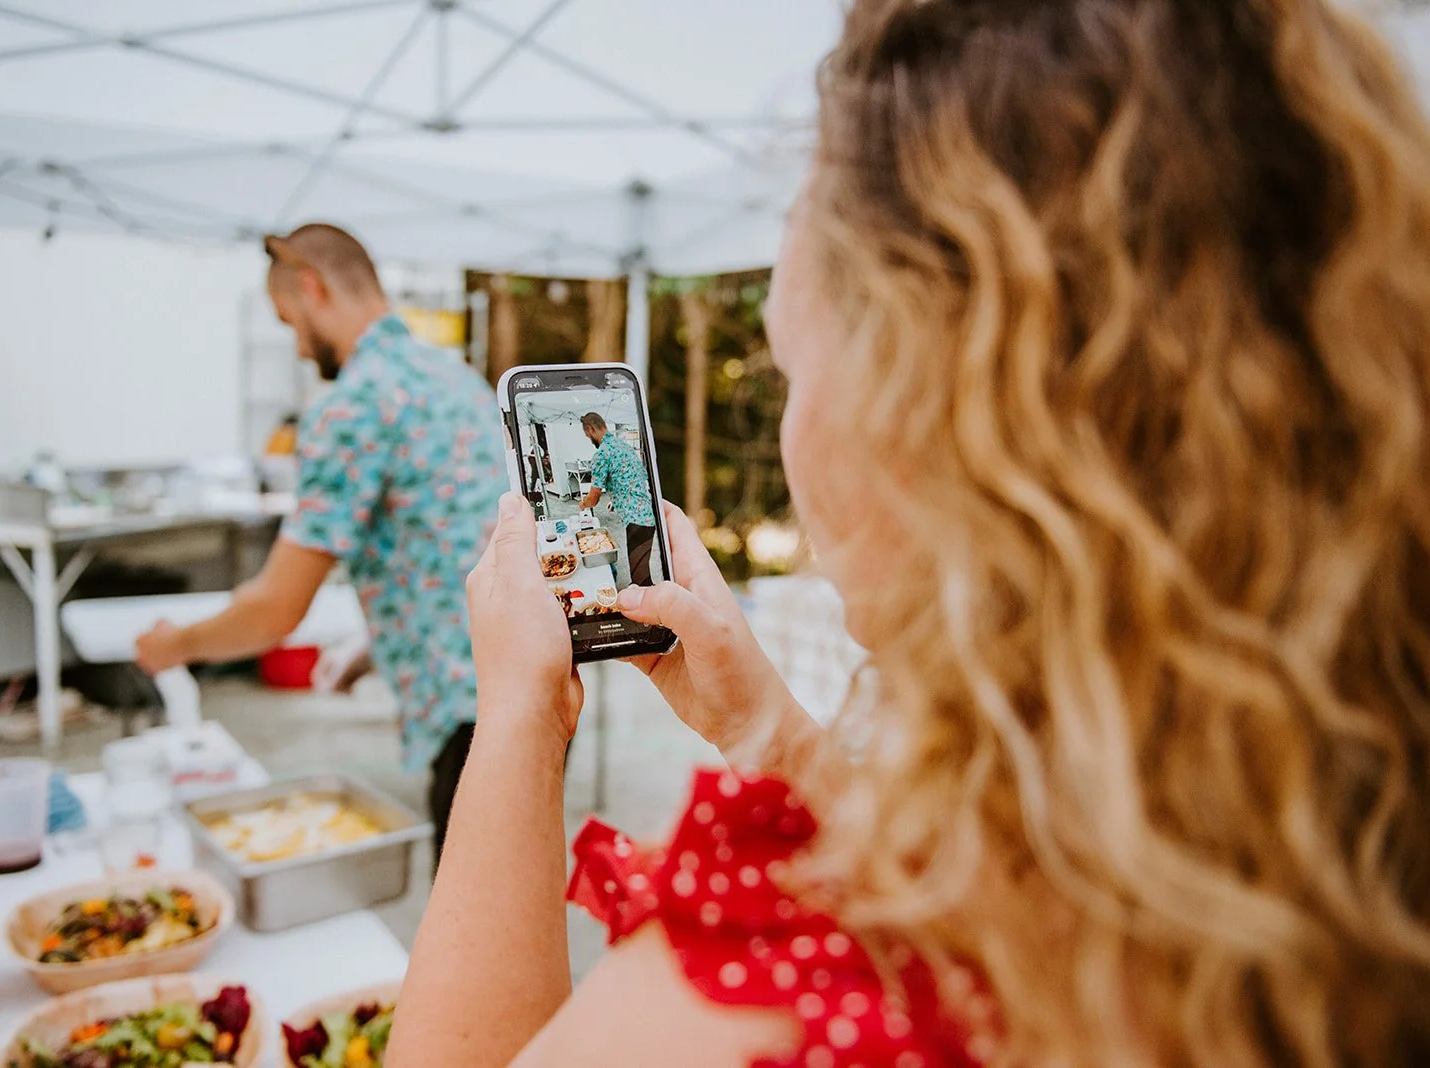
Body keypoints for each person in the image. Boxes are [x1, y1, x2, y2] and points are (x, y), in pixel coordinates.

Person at [387, 0, 1430, 1065]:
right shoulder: (1331, 845)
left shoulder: (789, 975)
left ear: (915, 418)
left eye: (792, 371)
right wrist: (771, 733)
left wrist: (520, 717)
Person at [135, 223, 507, 863]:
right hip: (525, 678)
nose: (301, 350)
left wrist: (177, 646)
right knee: (508, 896)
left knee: (472, 915)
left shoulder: (353, 405)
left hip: (471, 718)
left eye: (289, 324)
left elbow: (276, 610)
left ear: (311, 289)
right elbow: (453, 546)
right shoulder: (455, 379)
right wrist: (375, 647)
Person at [579, 412, 658, 586]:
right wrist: (616, 500)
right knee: (641, 571)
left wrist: (583, 503)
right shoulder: (623, 446)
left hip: (636, 521)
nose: (589, 439)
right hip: (646, 514)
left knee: (640, 580)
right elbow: (630, 477)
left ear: (590, 429)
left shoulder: (602, 454)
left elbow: (593, 499)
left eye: (587, 435)